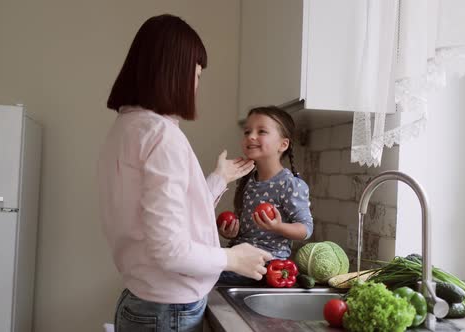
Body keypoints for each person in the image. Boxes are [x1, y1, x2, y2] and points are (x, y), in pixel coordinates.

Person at [97, 14, 272, 332]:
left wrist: (218, 179)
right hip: (167, 311)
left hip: (144, 300)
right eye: (196, 75)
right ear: (173, 72)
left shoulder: (127, 127)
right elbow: (170, 250)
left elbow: (164, 220)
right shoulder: (162, 136)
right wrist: (232, 258)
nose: (195, 86)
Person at [217, 106, 314, 285]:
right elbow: (248, 231)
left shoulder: (290, 184)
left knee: (204, 276)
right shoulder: (246, 179)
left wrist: (278, 227)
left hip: (269, 266)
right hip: (242, 259)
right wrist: (232, 233)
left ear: (283, 144)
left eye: (261, 131)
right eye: (247, 131)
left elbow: (306, 229)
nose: (251, 136)